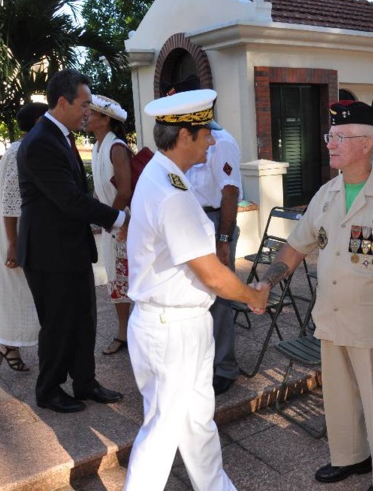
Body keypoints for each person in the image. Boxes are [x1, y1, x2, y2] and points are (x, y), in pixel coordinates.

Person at [260, 100, 373, 491]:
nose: (330, 144)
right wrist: (267, 282)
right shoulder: (327, 193)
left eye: (340, 137)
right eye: (329, 136)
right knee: (339, 398)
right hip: (333, 318)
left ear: (367, 143)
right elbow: (295, 247)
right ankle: (351, 458)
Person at [124, 89, 265, 491]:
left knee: (197, 421)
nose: (212, 141)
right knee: (163, 432)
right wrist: (253, 297)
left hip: (177, 322)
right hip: (173, 329)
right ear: (184, 135)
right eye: (205, 133)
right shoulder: (172, 193)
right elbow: (212, 275)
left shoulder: (164, 175)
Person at [17, 69, 127, 414]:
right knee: (58, 324)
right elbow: (69, 199)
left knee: (83, 318)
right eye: (84, 104)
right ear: (62, 102)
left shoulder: (60, 136)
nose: (87, 111)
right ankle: (48, 390)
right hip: (49, 254)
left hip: (71, 249)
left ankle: (85, 382)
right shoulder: (40, 143)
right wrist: (119, 219)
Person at [163, 75, 243, 396]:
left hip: (213, 224)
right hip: (190, 222)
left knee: (220, 298)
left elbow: (230, 193)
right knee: (194, 296)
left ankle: (224, 367)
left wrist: (223, 243)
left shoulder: (219, 140)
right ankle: (201, 360)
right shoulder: (187, 138)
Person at [0, 102, 47, 372]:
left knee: (23, 289)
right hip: (14, 231)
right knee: (16, 288)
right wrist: (13, 244)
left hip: (21, 229)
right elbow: (11, 200)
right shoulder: (18, 151)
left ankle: (10, 343)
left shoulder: (22, 148)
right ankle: (8, 343)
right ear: (38, 120)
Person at [86, 94, 133, 356]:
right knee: (117, 279)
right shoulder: (97, 147)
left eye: (91, 112)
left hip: (123, 224)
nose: (86, 116)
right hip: (112, 224)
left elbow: (124, 191)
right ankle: (125, 332)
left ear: (105, 119)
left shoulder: (116, 148)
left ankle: (126, 333)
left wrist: (108, 218)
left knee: (126, 279)